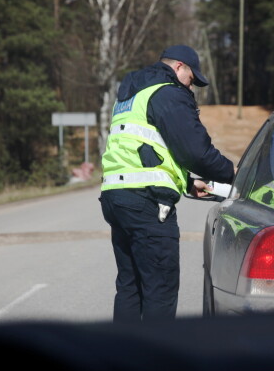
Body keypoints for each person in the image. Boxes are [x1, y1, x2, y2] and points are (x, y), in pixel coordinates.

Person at [99, 44, 235, 323]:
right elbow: (195, 151)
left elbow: (145, 150)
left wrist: (186, 181)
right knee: (160, 288)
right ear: (178, 67)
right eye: (191, 79)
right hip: (146, 203)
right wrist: (234, 174)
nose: (192, 86)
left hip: (116, 198)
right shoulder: (167, 93)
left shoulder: (131, 95)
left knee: (130, 286)